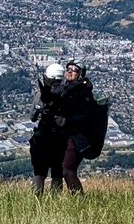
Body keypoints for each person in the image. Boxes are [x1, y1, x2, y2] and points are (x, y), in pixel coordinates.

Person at [51, 60, 96, 194]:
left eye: (74, 70)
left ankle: (79, 199)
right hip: (66, 134)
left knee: (67, 170)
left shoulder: (83, 92)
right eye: (68, 69)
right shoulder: (67, 88)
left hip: (77, 136)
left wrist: (66, 120)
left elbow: (85, 116)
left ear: (80, 74)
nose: (70, 71)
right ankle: (55, 198)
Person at [29, 62, 64, 194]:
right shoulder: (67, 94)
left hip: (43, 137)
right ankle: (56, 203)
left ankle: (36, 200)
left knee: (39, 171)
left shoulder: (41, 94)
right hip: (61, 139)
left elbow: (32, 116)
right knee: (57, 173)